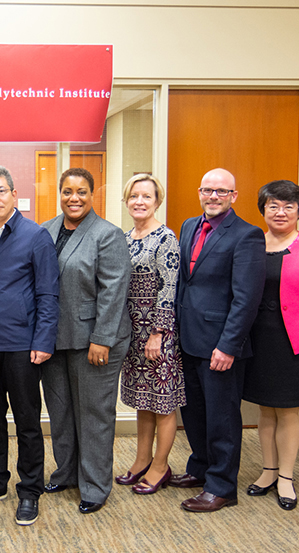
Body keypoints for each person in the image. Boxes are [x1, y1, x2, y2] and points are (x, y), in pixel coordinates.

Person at [0, 165, 59, 526]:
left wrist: (43, 339)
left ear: (14, 195)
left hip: (21, 345)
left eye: (1, 191)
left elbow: (48, 293)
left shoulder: (35, 237)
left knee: (27, 421)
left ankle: (30, 490)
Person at [171, 168, 265, 513]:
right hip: (188, 338)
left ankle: (222, 487)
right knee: (194, 413)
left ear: (234, 196)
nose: (213, 196)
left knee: (222, 418)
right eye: (208, 190)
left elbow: (246, 299)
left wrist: (228, 346)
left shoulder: (247, 235)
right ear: (199, 192)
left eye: (221, 192)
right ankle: (200, 470)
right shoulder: (188, 226)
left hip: (220, 344)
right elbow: (186, 282)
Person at [39, 168, 129, 514]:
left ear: (93, 195)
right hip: (55, 338)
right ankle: (67, 472)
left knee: (93, 415)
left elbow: (113, 292)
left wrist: (102, 339)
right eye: (67, 191)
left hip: (95, 340)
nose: (73, 198)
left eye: (80, 192)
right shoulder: (46, 230)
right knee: (60, 411)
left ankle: (94, 486)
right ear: (59, 194)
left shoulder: (107, 235)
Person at [242, 180, 299, 511]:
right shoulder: (253, 242)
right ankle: (267, 470)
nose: (280, 213)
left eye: (288, 207)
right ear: (263, 210)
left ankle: (286, 477)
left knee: (288, 410)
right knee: (265, 408)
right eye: (273, 206)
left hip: (294, 340)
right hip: (258, 337)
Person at [115, 174, 185, 496]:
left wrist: (157, 332)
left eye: (146, 196)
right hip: (132, 329)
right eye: (134, 196)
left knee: (163, 403)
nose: (139, 202)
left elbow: (169, 288)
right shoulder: (126, 237)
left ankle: (160, 465)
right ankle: (141, 459)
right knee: (144, 401)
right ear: (126, 200)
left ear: (158, 201)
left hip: (158, 331)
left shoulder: (165, 237)